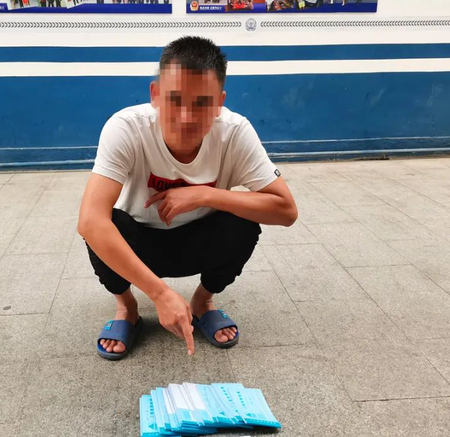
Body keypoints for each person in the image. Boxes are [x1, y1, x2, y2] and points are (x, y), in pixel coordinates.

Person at [78, 36, 297, 361]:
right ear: (155, 95)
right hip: (139, 244)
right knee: (107, 224)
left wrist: (206, 194)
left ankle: (203, 301)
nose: (186, 117)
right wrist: (159, 294)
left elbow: (286, 210)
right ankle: (127, 308)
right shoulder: (126, 128)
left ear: (220, 102)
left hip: (199, 241)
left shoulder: (235, 132)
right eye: (174, 99)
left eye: (202, 103)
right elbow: (89, 221)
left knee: (242, 221)